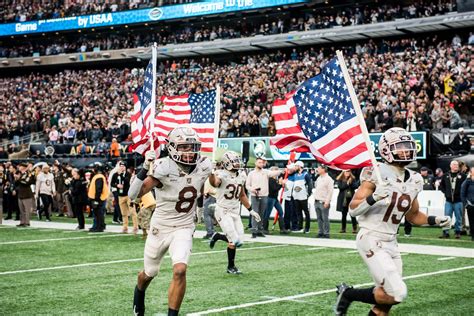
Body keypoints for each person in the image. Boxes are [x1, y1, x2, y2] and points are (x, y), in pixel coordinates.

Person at [335, 127, 451, 316]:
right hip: (371, 237)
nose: (406, 151)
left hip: (392, 242)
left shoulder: (414, 179)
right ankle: (348, 294)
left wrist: (435, 220)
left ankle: (347, 294)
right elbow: (353, 209)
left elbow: (413, 216)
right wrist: (374, 197)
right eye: (400, 147)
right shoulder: (376, 172)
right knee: (398, 292)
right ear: (386, 150)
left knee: (385, 302)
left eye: (408, 146)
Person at [128, 127, 212, 316]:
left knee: (180, 269)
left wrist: (198, 209)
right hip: (161, 227)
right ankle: (138, 295)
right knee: (149, 273)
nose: (189, 151)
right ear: (172, 148)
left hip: (183, 225)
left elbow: (201, 186)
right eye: (183, 147)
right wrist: (144, 167)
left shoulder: (204, 166)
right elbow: (133, 195)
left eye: (192, 147)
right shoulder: (163, 167)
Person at [208, 151, 261, 274]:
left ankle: (218, 236)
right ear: (227, 163)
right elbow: (214, 183)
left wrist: (251, 210)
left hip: (235, 211)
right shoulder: (221, 174)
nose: (237, 163)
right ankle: (230, 267)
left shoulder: (241, 175)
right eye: (234, 161)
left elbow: (242, 195)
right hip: (223, 210)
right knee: (235, 240)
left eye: (238, 161)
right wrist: (210, 173)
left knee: (239, 241)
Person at [245, 157, 283, 238]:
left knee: (262, 214)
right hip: (255, 195)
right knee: (255, 213)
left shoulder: (266, 172)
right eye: (259, 162)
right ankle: (254, 231)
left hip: (264, 195)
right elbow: (247, 185)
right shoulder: (251, 173)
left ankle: (259, 229)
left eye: (262, 163)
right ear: (255, 163)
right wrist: (252, 189)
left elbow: (273, 173)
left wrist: (281, 171)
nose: (261, 164)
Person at [439, 160, 467, 239]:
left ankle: (458, 232)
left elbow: (466, 187)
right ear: (450, 166)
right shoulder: (445, 175)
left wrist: (462, 195)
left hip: (459, 201)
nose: (456, 166)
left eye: (457, 165)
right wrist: (446, 193)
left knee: (459, 217)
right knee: (447, 217)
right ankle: (445, 232)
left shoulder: (463, 176)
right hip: (448, 201)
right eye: (454, 164)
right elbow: (441, 186)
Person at [112, 161, 136, 233]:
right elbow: (112, 183)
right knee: (123, 213)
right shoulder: (115, 174)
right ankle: (125, 227)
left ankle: (135, 227)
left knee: (132, 212)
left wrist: (121, 175)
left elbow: (127, 181)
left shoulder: (128, 174)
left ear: (125, 167)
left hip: (128, 195)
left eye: (123, 166)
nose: (122, 167)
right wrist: (117, 185)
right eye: (121, 166)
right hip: (120, 195)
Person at [264, 166, 289, 234]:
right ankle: (265, 228)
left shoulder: (274, 179)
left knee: (281, 212)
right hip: (270, 198)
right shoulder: (270, 180)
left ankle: (282, 228)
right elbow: (274, 189)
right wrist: (280, 184)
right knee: (267, 214)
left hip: (274, 198)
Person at [291, 161, 313, 233]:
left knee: (306, 212)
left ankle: (307, 228)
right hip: (296, 196)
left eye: (296, 166)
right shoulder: (295, 175)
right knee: (298, 212)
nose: (295, 168)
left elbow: (310, 184)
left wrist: (308, 194)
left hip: (303, 197)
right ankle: (299, 227)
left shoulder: (305, 174)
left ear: (300, 166)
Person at [313, 164, 334, 238]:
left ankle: (326, 233)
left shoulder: (329, 179)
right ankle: (320, 231)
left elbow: (330, 191)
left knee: (325, 218)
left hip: (323, 201)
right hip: (317, 200)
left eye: (319, 168)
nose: (317, 169)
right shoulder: (319, 178)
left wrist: (327, 201)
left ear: (323, 169)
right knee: (319, 218)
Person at [87, 163, 109, 232]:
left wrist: (96, 199)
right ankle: (97, 226)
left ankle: (99, 227)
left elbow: (98, 189)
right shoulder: (98, 176)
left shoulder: (99, 177)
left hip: (99, 198)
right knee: (97, 213)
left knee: (99, 214)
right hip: (98, 198)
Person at [14, 162, 35, 227]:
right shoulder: (21, 174)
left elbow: (27, 182)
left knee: (27, 209)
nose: (19, 168)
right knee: (21, 209)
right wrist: (17, 179)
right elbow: (16, 184)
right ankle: (22, 222)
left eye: (20, 166)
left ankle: (27, 222)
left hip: (26, 194)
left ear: (23, 167)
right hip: (20, 193)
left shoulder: (29, 174)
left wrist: (19, 179)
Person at [461, 166, 474, 241]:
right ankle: (473, 235)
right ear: (471, 173)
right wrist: (466, 204)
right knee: (471, 221)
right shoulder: (467, 182)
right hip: (470, 205)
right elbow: (462, 193)